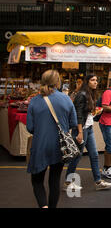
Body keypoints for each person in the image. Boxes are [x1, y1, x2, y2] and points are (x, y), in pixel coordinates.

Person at [27, 70, 77, 208]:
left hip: (40, 145)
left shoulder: (34, 101)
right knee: (54, 180)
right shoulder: (66, 99)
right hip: (60, 146)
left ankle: (43, 206)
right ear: (57, 82)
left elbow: (30, 127)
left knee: (37, 181)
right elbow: (73, 122)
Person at [65, 75, 111, 192]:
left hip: (89, 127)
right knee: (77, 156)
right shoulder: (82, 95)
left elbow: (85, 113)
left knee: (94, 155)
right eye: (92, 80)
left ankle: (98, 182)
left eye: (96, 80)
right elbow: (79, 115)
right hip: (82, 129)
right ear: (87, 82)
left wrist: (94, 113)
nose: (95, 82)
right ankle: (67, 182)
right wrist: (80, 132)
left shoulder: (90, 94)